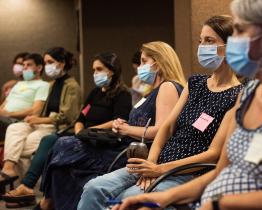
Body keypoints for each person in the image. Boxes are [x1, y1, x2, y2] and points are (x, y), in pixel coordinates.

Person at [113, 0, 262, 210]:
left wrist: (218, 203)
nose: (233, 41)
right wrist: (162, 198)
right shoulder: (249, 93)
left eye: (239, 29)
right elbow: (220, 172)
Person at [78, 15, 243, 210]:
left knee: (128, 198)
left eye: (210, 41)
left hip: (187, 171)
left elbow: (214, 153)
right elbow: (166, 127)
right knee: (93, 188)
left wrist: (160, 169)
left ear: (231, 46)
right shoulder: (195, 83)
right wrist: (151, 163)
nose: (202, 47)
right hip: (158, 161)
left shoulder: (238, 94)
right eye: (200, 41)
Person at [35, 42, 186, 210]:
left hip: (140, 154)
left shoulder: (167, 87)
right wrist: (125, 125)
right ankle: (49, 203)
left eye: (144, 61)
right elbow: (144, 124)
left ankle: (46, 203)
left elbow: (161, 131)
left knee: (63, 146)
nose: (140, 66)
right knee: (61, 158)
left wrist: (126, 129)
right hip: (129, 147)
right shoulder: (151, 91)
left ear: (157, 63)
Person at [0, 47, 81, 198]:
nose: (47, 66)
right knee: (14, 127)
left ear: (62, 63)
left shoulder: (72, 86)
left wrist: (39, 119)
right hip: (42, 123)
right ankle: (8, 168)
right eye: (45, 62)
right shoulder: (51, 85)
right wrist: (34, 119)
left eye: (50, 62)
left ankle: (24, 186)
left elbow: (68, 117)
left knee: (22, 147)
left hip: (58, 127)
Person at [0, 53, 50, 142]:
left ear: (39, 68)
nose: (24, 68)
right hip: (3, 119)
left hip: (17, 121)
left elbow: (36, 110)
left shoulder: (43, 85)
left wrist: (9, 114)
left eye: (29, 65)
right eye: (23, 65)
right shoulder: (18, 84)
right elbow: (3, 105)